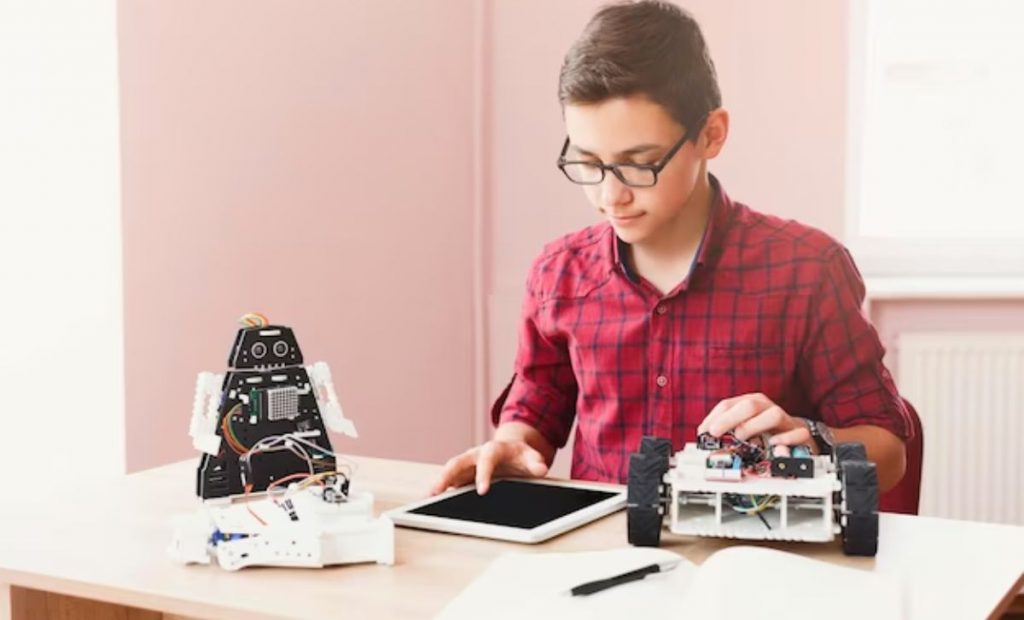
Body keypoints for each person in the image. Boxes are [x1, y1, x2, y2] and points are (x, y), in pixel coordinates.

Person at [431, 0, 911, 497]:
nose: (609, 196)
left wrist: (811, 441)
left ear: (711, 135)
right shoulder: (559, 275)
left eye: (639, 164)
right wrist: (512, 444)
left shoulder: (807, 269)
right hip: (605, 555)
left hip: (754, 552)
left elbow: (889, 451)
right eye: (588, 163)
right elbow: (534, 416)